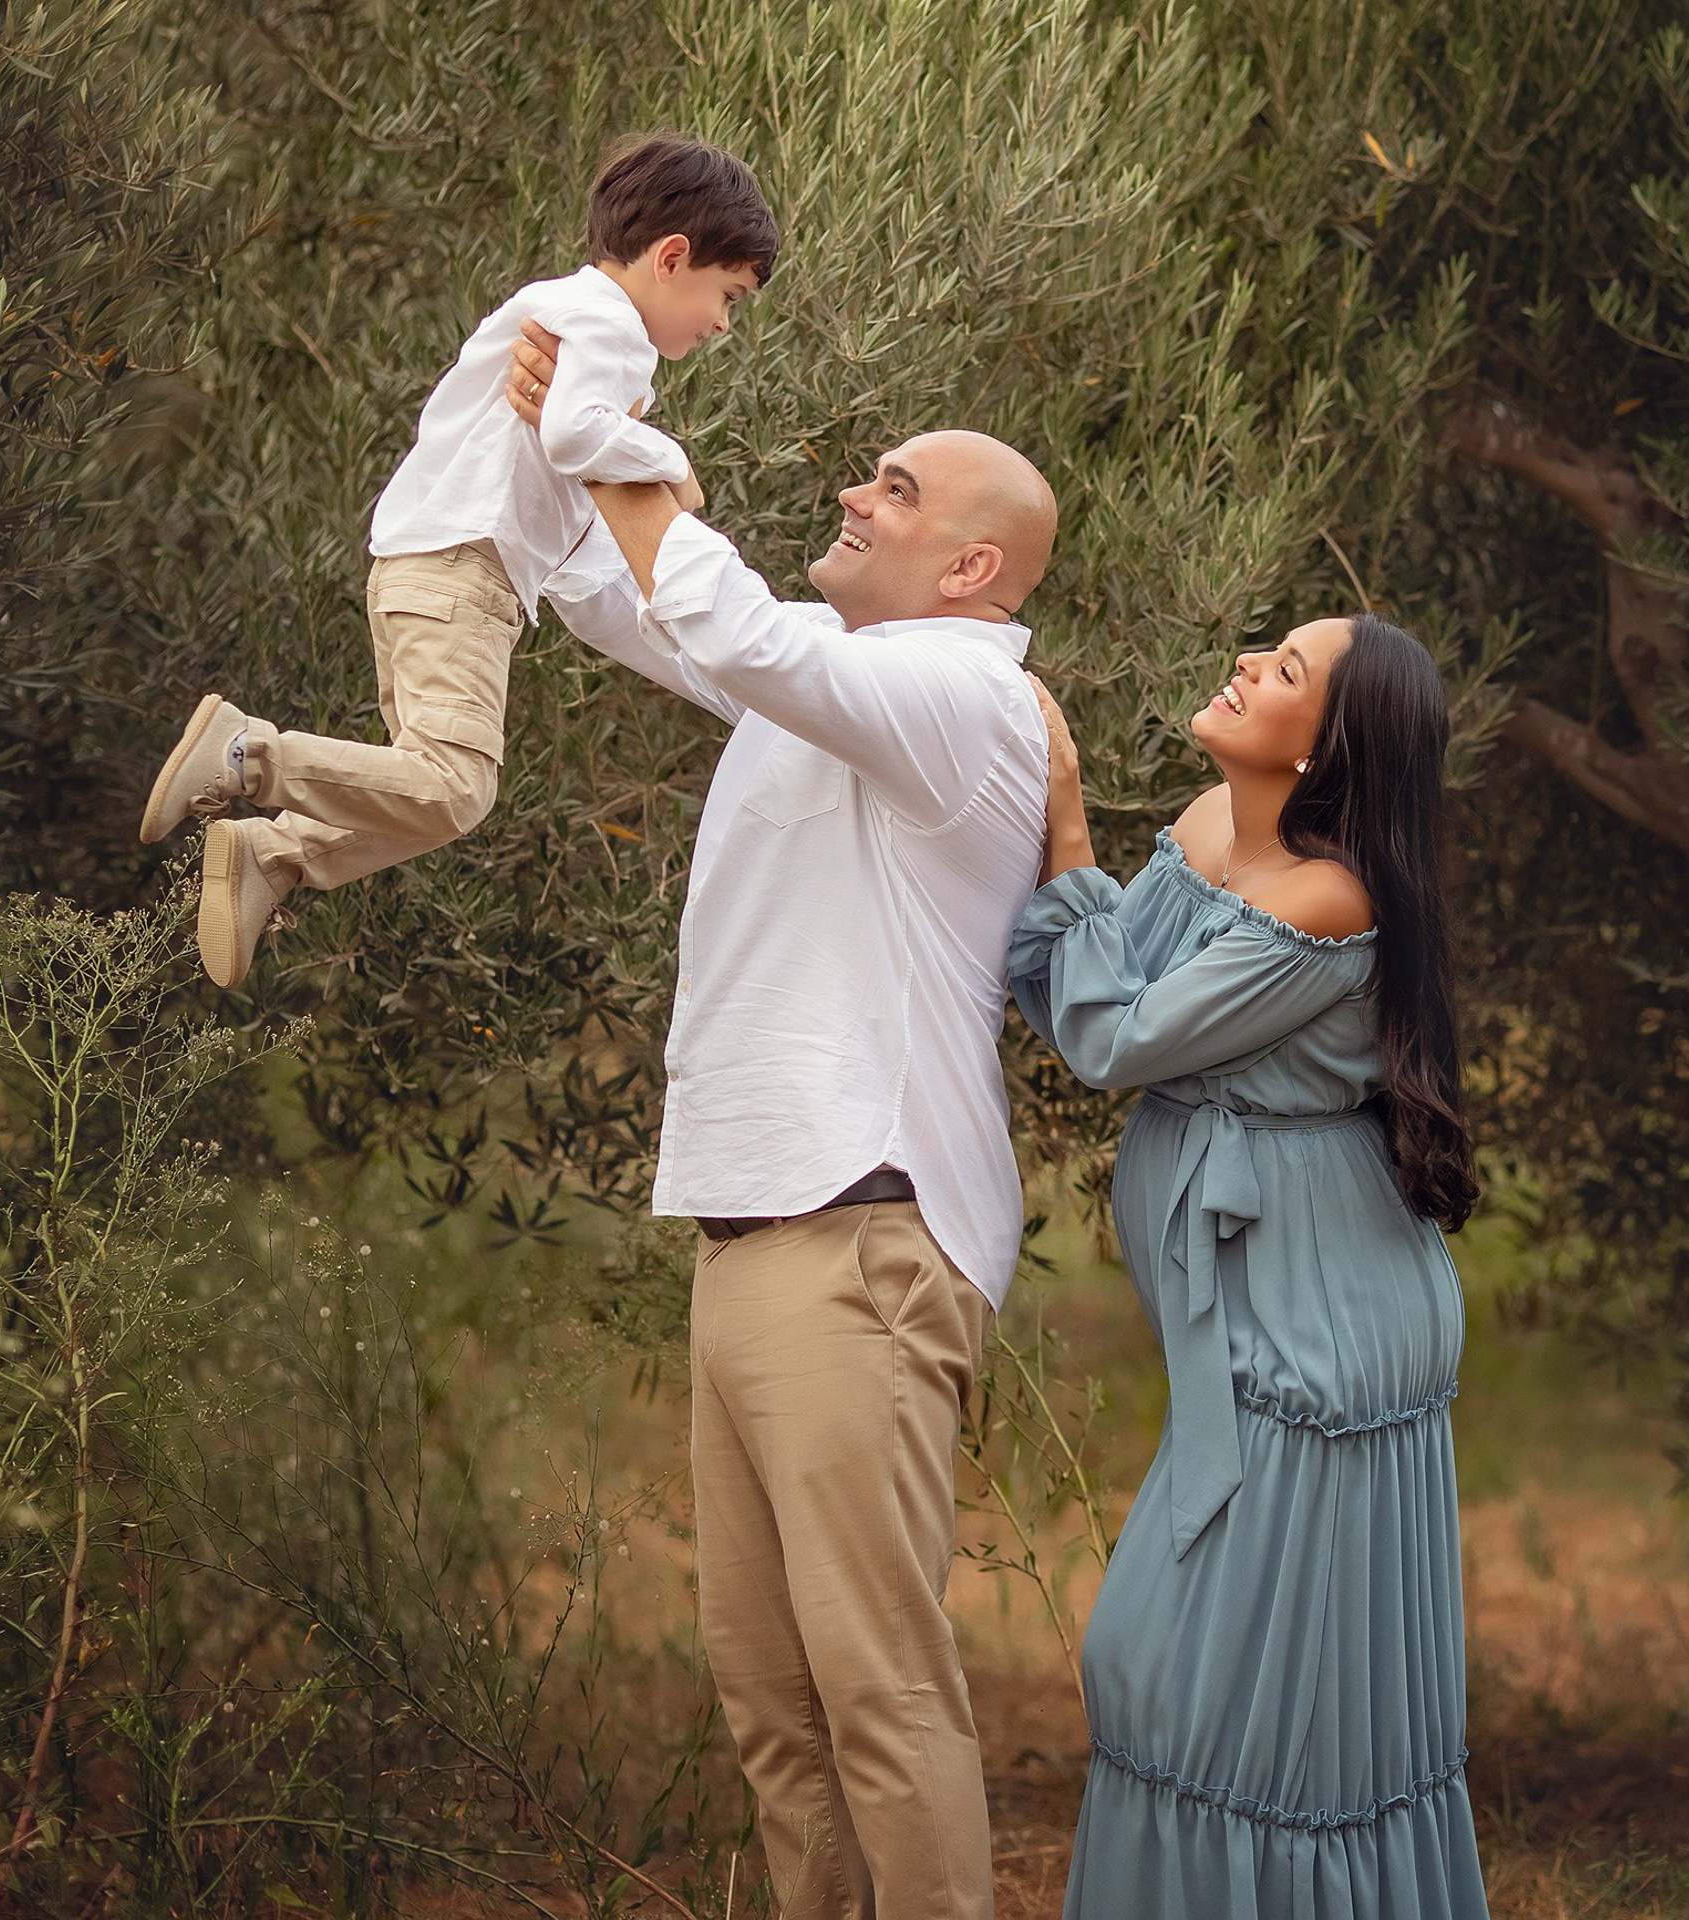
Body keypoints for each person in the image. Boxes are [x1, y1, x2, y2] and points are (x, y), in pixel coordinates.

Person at [507, 319, 1057, 1920]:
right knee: (771, 1708)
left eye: (892, 489)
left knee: (879, 1696)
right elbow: (639, 607)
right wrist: (560, 444)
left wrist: (624, 439)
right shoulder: (843, 693)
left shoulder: (964, 702)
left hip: (866, 1238)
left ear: (971, 570)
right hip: (754, 1234)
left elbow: (739, 631)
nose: (855, 493)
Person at [1009, 618, 1489, 1919]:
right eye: (1266, 647)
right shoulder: (1205, 827)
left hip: (1322, 1334)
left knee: (1176, 1676)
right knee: (1237, 1700)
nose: (1247, 665)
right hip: (1255, 1308)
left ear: (1333, 748)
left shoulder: (1331, 900)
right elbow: (1086, 1000)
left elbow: (1116, 1035)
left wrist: (1064, 831)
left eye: (1288, 673)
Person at [138, 133, 777, 988]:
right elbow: (575, 431)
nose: (723, 325)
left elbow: (567, 495)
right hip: (463, 574)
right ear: (672, 257)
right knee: (456, 790)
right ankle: (246, 756)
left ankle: (274, 855)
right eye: (728, 296)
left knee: (427, 796)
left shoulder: (558, 307)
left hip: (421, 569)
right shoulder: (612, 329)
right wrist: (673, 468)